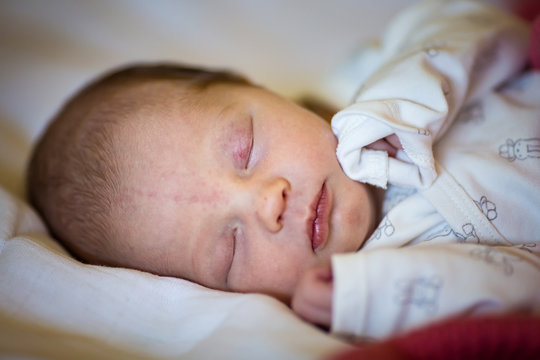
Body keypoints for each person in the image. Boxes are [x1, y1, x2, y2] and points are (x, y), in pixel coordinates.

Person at [27, 0, 540, 340]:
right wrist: (373, 297)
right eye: (230, 248)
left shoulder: (368, 82)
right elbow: (520, 296)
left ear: (264, 92)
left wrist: (393, 107)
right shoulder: (373, 293)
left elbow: (493, 30)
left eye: (245, 150)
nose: (266, 204)